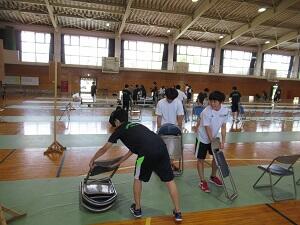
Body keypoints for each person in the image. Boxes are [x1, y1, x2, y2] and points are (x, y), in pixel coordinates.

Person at [89, 108, 182, 221]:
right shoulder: (136, 125)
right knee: (169, 180)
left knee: (137, 178)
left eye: (114, 123)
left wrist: (93, 159)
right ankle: (178, 212)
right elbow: (134, 148)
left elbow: (105, 149)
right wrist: (121, 161)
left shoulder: (119, 130)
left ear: (117, 121)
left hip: (145, 154)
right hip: (162, 147)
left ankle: (137, 209)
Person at [195, 91, 229, 193]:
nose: (212, 104)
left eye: (215, 102)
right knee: (200, 159)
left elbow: (223, 126)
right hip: (202, 138)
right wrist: (212, 141)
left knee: (216, 158)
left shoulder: (225, 110)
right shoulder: (206, 111)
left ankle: (213, 176)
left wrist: (223, 141)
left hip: (214, 137)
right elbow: (207, 128)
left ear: (221, 102)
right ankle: (202, 181)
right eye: (211, 101)